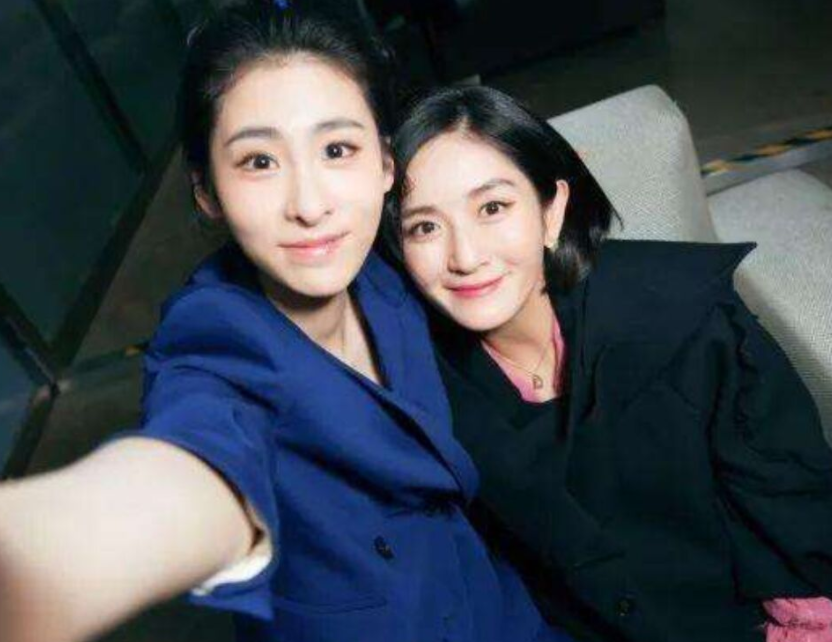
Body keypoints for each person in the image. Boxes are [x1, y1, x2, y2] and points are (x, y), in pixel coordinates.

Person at [0, 6, 578, 642]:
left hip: (498, 608)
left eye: (337, 149)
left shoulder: (386, 266)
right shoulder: (216, 342)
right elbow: (191, 465)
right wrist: (47, 557)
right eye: (259, 162)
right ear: (206, 191)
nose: (309, 205)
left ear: (385, 165)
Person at [383, 85, 832, 642]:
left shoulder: (682, 318)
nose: (466, 256)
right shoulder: (418, 391)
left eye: (492, 208)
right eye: (425, 227)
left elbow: (801, 511)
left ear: (552, 211)